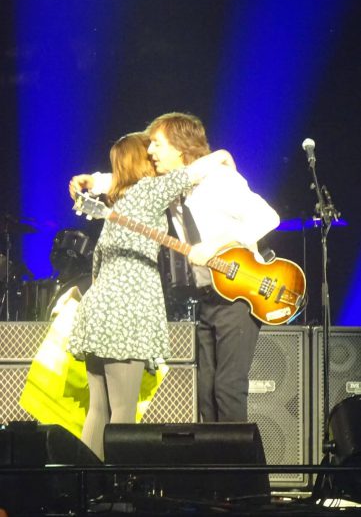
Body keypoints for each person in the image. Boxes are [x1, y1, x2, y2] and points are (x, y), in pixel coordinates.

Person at [69, 112, 280, 426]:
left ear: (180, 148)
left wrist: (217, 245)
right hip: (209, 299)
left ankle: (245, 476)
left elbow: (267, 217)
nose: (151, 152)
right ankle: (214, 474)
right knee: (206, 393)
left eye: (157, 144)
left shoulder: (219, 181)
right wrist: (94, 181)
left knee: (227, 388)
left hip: (242, 295)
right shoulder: (171, 192)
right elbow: (132, 180)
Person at [68, 130, 235, 459]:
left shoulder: (119, 201)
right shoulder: (149, 191)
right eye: (151, 150)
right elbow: (190, 172)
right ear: (141, 160)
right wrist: (221, 155)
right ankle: (116, 499)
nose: (156, 154)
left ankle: (86, 491)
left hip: (97, 309)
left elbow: (97, 265)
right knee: (123, 413)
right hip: (126, 314)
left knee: (98, 409)